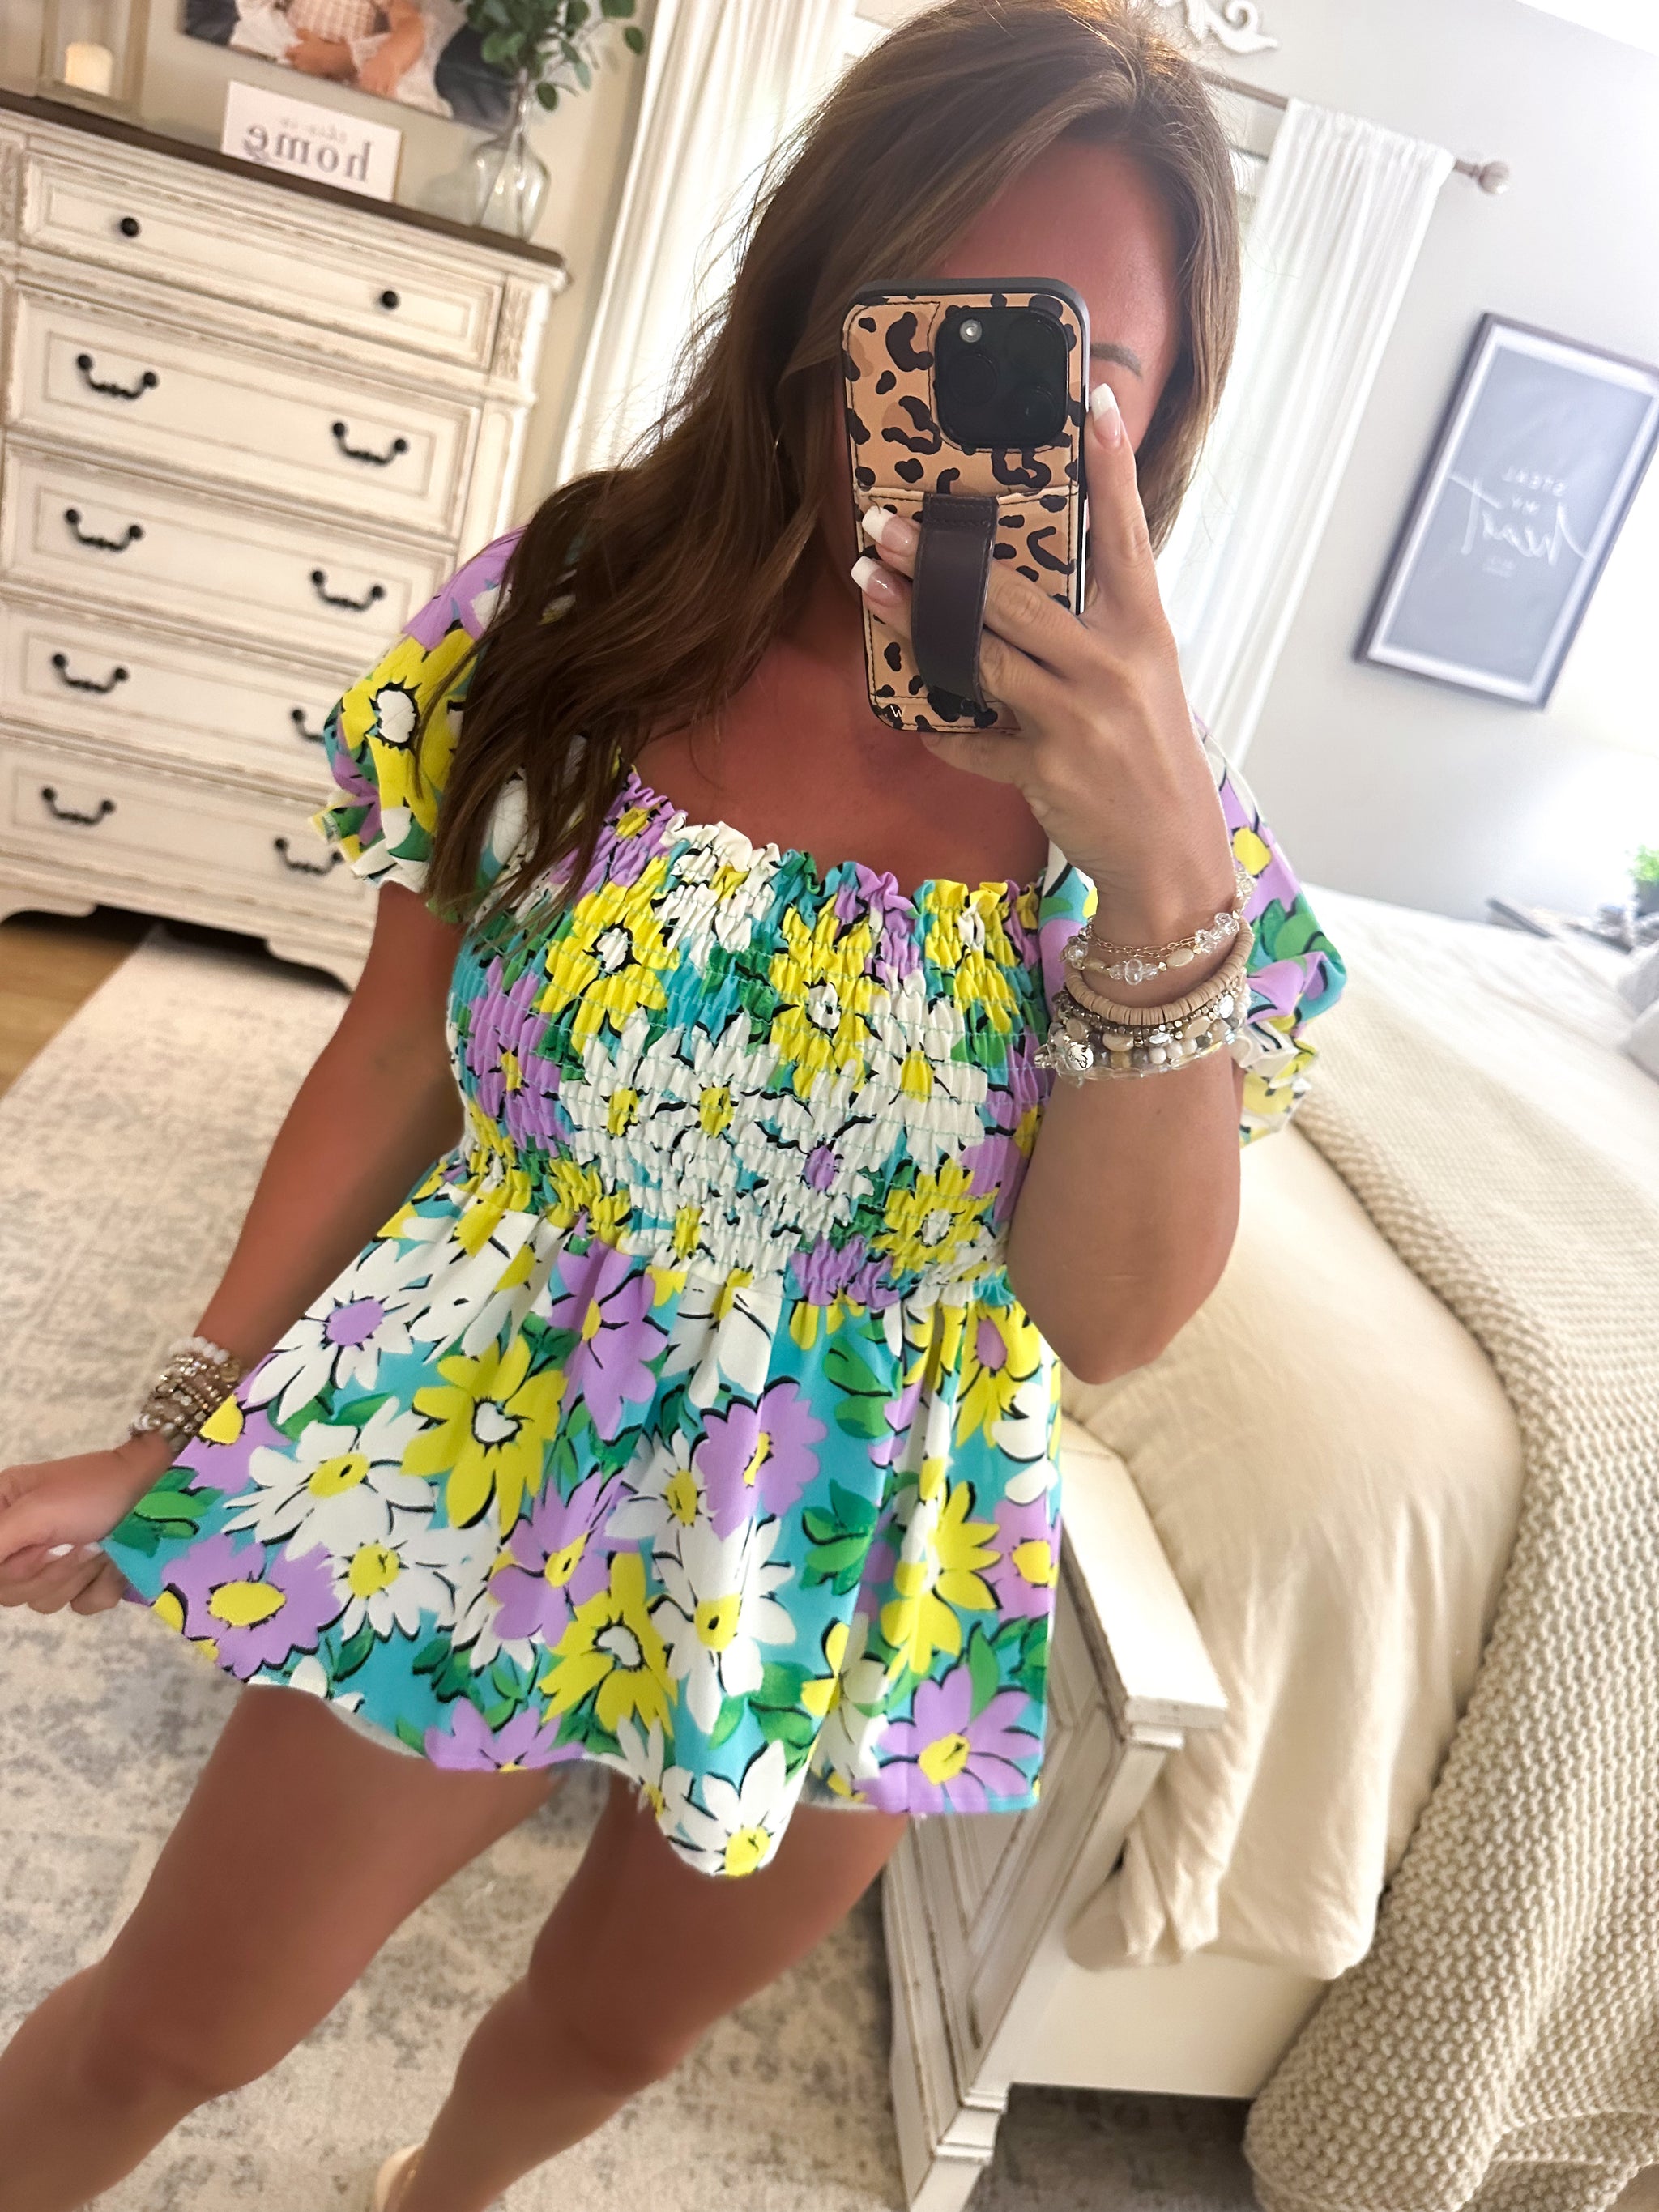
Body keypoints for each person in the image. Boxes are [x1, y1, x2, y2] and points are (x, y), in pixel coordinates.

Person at [0, 2, 1346, 2206]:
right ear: (819, 309)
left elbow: (1110, 1316)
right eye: (927, 326)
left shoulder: (1170, 837)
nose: (974, 420)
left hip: (866, 1535)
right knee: (176, 2020)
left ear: (1156, 415)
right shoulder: (578, 613)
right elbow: (394, 1054)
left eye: (1071, 371)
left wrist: (1156, 867)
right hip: (490, 1438)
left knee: (610, 2028)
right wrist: (185, 1415)